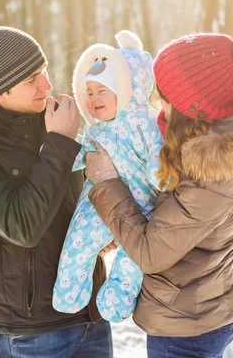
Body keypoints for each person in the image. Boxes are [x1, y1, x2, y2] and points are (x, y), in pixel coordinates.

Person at [84, 31, 233, 357]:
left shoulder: (214, 175)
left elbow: (152, 252)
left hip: (185, 330)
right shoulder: (226, 137)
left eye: (165, 97)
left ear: (194, 110)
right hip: (204, 309)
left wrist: (106, 183)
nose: (157, 102)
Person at [0, 26, 112, 358]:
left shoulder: (52, 119)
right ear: (1, 91)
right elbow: (23, 227)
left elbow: (78, 198)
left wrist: (101, 229)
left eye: (45, 70)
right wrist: (59, 143)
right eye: (32, 78)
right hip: (35, 331)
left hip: (91, 312)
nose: (47, 84)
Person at [52, 31, 164, 324]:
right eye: (88, 93)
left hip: (143, 208)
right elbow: (81, 155)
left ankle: (116, 302)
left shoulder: (148, 121)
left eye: (102, 90)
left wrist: (159, 168)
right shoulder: (95, 130)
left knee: (133, 259)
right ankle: (69, 293)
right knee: (78, 243)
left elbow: (160, 149)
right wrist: (58, 151)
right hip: (98, 205)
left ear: (127, 88)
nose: (93, 99)